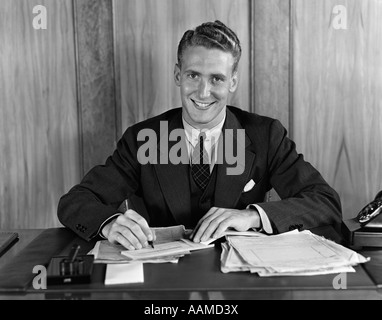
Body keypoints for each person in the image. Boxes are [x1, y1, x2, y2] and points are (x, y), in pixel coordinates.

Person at [58, 20, 342, 250]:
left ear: (232, 82)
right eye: (193, 75)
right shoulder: (142, 138)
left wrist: (252, 216)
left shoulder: (266, 135)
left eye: (216, 78)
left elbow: (325, 201)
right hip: (162, 285)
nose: (203, 93)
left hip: (240, 284)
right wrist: (109, 222)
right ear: (178, 76)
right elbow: (75, 201)